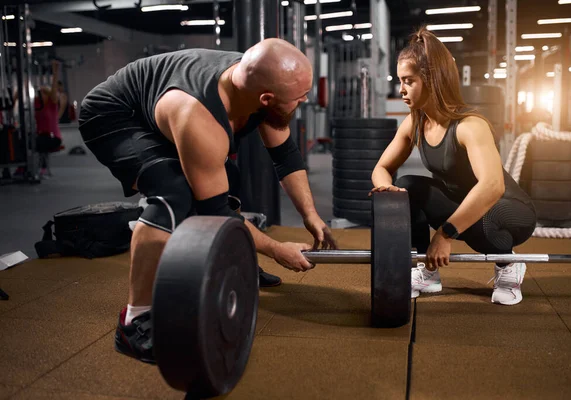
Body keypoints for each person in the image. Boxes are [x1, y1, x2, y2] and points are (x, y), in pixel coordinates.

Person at [78, 38, 336, 364]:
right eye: (299, 97)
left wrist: (310, 215)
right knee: (172, 193)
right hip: (114, 114)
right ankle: (134, 322)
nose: (306, 100)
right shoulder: (198, 116)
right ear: (266, 98)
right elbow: (216, 212)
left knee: (228, 177)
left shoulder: (259, 83)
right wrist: (275, 249)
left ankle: (236, 258)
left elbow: (284, 156)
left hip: (163, 106)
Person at [370, 28, 537, 306]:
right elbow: (381, 168)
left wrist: (445, 234)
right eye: (400, 81)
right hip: (464, 204)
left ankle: (508, 265)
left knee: (485, 220)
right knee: (408, 187)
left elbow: (492, 187)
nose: (401, 89)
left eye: (408, 81)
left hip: (508, 208)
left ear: (432, 80)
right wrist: (387, 191)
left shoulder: (470, 126)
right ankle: (428, 271)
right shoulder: (415, 123)